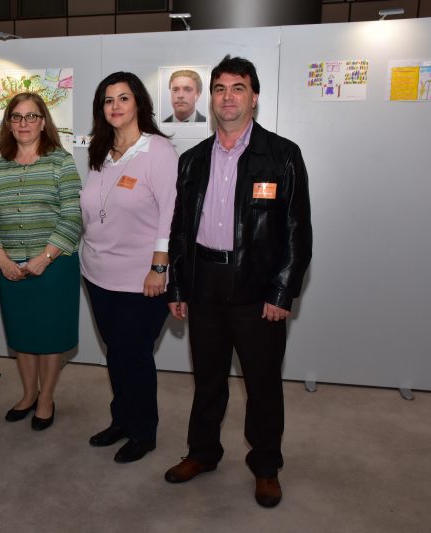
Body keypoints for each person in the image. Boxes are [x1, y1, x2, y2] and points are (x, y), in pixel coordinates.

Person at [165, 56, 312, 508]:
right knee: (207, 378)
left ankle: (265, 466)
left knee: (262, 384)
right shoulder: (192, 160)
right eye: (220, 88)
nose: (228, 97)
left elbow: (297, 232)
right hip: (203, 282)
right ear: (211, 98)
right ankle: (202, 452)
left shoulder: (282, 155)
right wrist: (177, 287)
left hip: (256, 286)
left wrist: (282, 291)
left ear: (254, 98)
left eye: (238, 88)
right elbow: (179, 230)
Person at [81, 72, 178, 463]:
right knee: (116, 353)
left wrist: (160, 267)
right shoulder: (101, 152)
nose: (115, 106)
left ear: (138, 103)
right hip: (97, 273)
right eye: (108, 100)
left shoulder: (158, 151)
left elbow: (171, 213)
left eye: (123, 98)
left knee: (135, 355)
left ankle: (143, 431)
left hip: (142, 278)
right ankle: (121, 419)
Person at [0, 92, 82, 431]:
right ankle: (27, 394)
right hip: (10, 267)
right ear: (8, 124)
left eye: (31, 116)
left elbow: (72, 216)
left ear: (43, 122)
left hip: (54, 266)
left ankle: (46, 397)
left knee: (50, 337)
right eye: (17, 117)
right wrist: (0, 257)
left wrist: (44, 257)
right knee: (22, 335)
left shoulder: (61, 162)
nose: (24, 123)